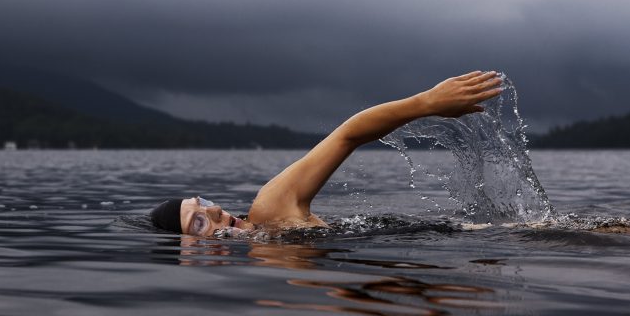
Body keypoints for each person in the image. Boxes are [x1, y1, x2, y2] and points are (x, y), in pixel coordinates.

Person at [150, 71, 504, 236]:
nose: (214, 209)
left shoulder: (270, 210)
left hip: (482, 236)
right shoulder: (266, 267)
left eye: (204, 202)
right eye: (198, 222)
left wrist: (426, 103)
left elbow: (346, 136)